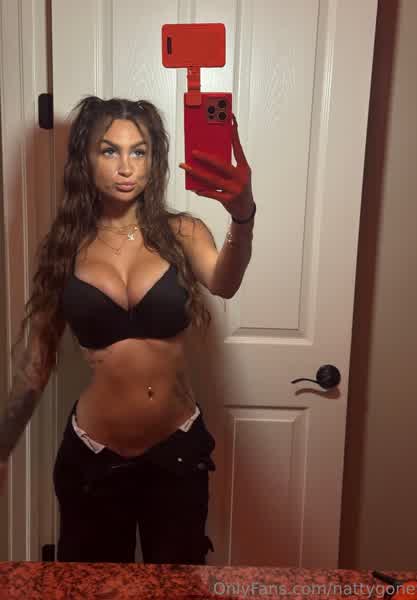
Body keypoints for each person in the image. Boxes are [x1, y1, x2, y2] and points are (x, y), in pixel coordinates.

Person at [0, 96, 256, 564]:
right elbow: (35, 364)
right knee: (94, 588)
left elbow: (226, 282)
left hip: (177, 454)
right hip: (94, 459)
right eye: (109, 150)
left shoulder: (182, 232)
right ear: (85, 159)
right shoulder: (65, 248)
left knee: (178, 587)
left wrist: (243, 216)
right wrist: (1, 450)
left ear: (153, 160)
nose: (126, 167)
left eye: (139, 151)